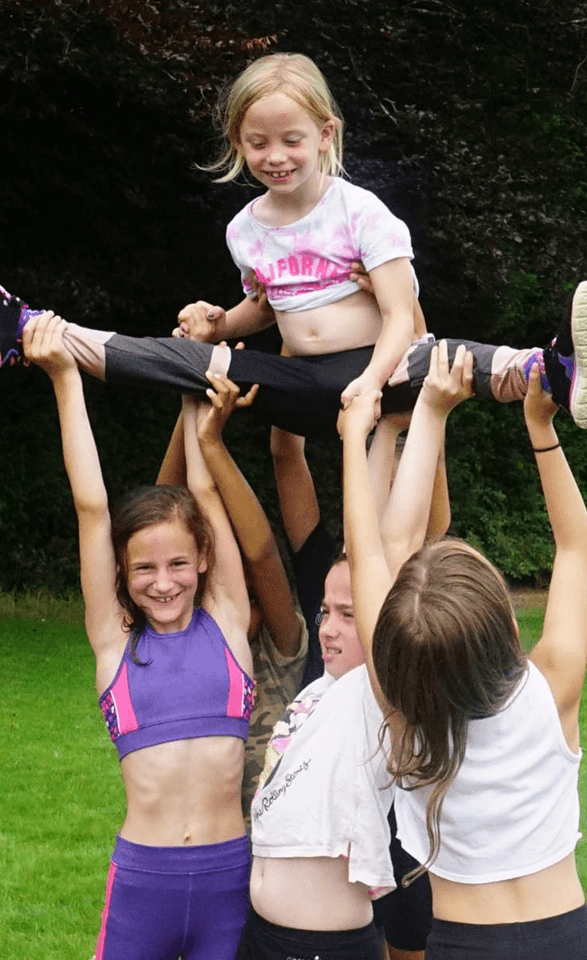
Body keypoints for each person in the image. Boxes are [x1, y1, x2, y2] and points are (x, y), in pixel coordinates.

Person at [0, 52, 587, 439]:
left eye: (291, 139)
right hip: (299, 381)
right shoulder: (246, 229)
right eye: (258, 142)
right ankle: (25, 328)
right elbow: (266, 312)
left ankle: (560, 372)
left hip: (384, 368)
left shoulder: (362, 212)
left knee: (454, 358)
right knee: (184, 359)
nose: (276, 156)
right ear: (238, 143)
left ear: (325, 134)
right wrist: (219, 320)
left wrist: (367, 382)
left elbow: (399, 313)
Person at [339, 344, 587, 959]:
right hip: (567, 939)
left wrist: (369, 435)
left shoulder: (403, 712)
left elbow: (376, 549)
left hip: (465, 946)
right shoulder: (550, 691)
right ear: (507, 630)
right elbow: (575, 547)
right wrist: (540, 429)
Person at [21, 311, 255, 960]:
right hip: (143, 886)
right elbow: (92, 507)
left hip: (229, 882)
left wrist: (196, 386)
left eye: (178, 564)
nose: (163, 582)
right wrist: (67, 378)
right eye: (144, 569)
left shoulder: (229, 624)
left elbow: (204, 490)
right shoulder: (115, 644)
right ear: (123, 573)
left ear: (203, 559)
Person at [237, 361, 463, 960]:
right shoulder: (319, 694)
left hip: (325, 945)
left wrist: (388, 430)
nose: (330, 630)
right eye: (326, 613)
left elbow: (394, 541)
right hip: (264, 936)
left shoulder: (380, 687)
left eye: (350, 613)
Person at [155, 371, 310, 819]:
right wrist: (190, 397)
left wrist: (212, 445)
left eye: (245, 581)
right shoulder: (180, 634)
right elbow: (161, 512)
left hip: (267, 861)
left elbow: (261, 553)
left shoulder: (280, 648)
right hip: (193, 850)